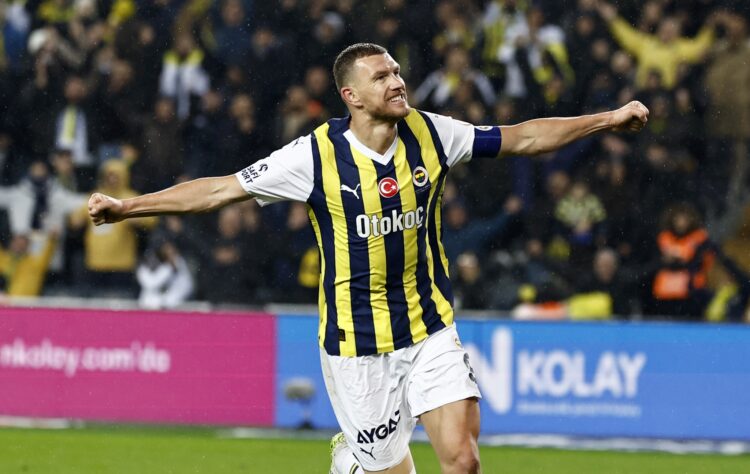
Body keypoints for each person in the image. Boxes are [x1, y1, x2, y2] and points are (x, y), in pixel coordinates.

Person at [88, 43, 648, 474]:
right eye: (381, 77)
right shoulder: (313, 156)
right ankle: (352, 461)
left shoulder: (433, 133)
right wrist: (127, 207)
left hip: (429, 325)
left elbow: (522, 137)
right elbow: (218, 191)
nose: (397, 81)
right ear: (351, 96)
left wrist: (606, 119)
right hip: (356, 344)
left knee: (462, 460)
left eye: (397, 72)